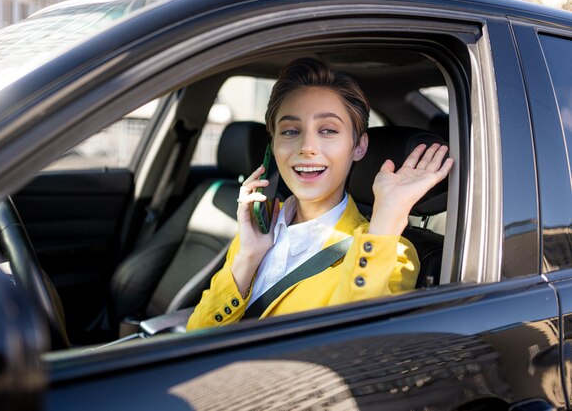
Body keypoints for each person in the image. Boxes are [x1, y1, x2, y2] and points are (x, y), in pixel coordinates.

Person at [187, 58, 453, 330]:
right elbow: (196, 335)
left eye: (327, 130)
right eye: (291, 131)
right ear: (273, 147)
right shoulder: (257, 232)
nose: (307, 146)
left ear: (359, 147)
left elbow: (353, 348)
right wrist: (248, 258)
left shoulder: (390, 251)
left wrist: (388, 216)